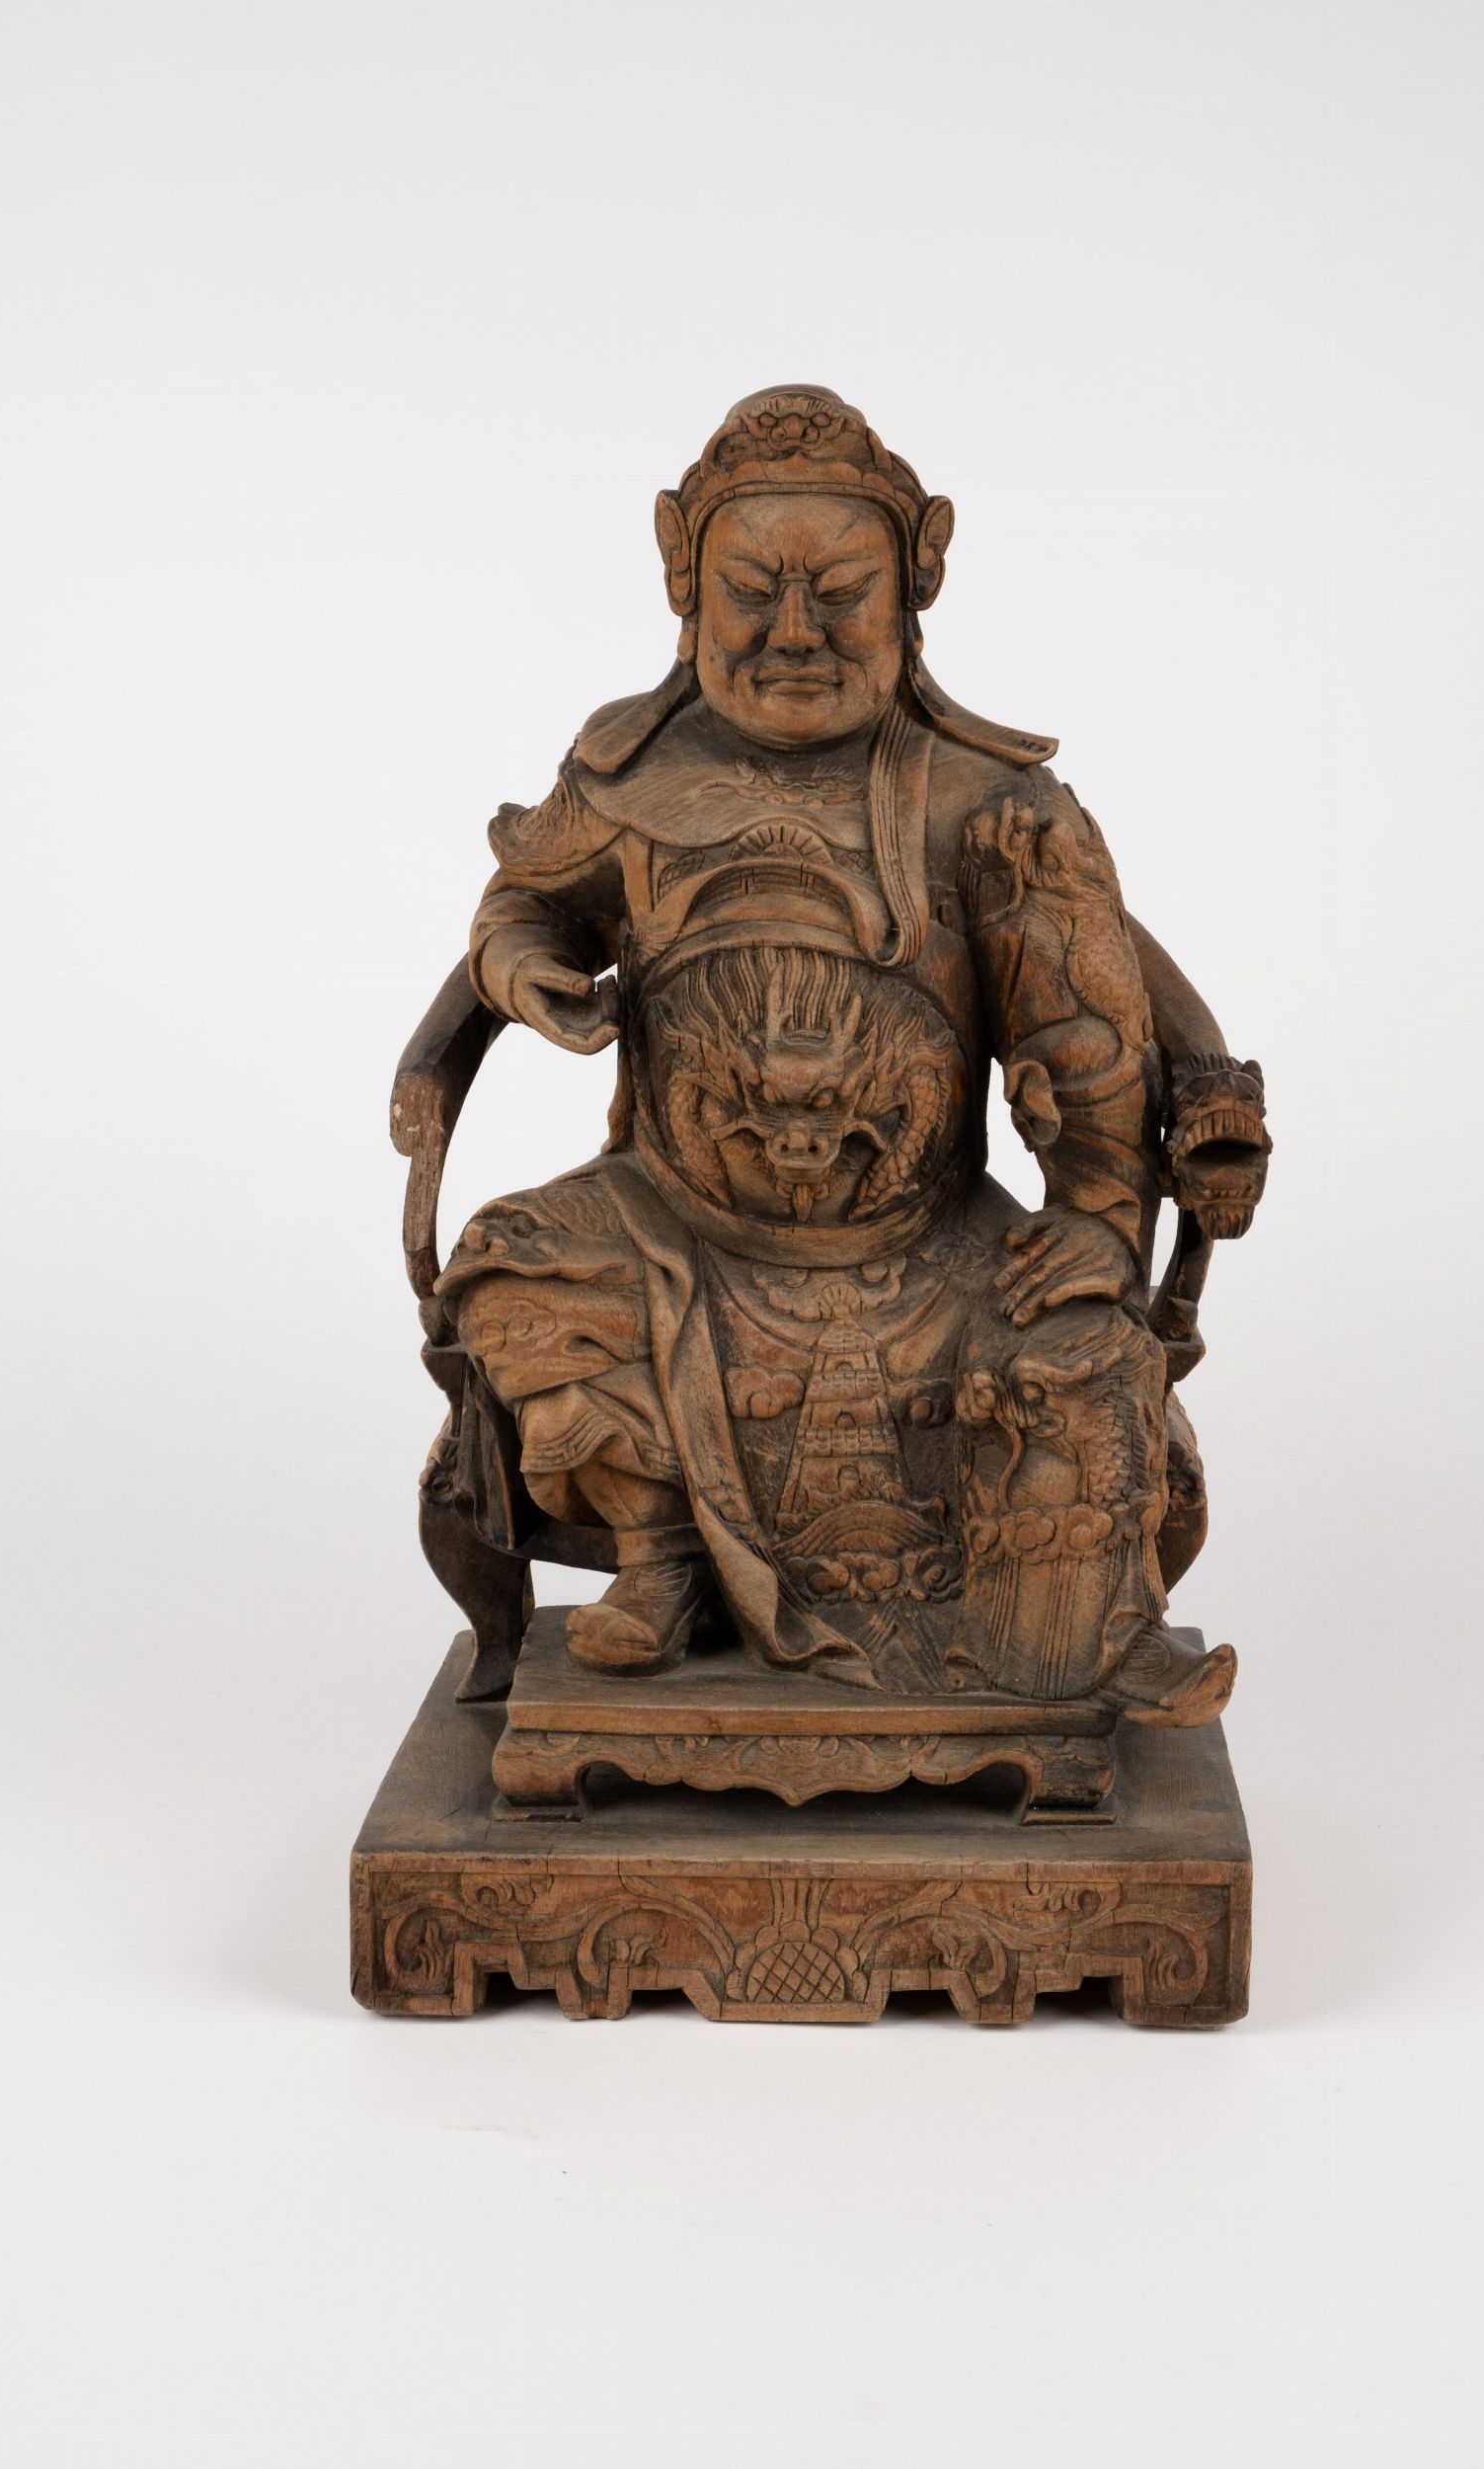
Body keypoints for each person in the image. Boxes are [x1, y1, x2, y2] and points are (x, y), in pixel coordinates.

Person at [436, 387, 1270, 1712]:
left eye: (839, 594)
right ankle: (662, 1555)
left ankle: (1061, 1651)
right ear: (682, 573)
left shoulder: (986, 805)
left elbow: (1085, 1028)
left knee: (1086, 1363)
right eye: (751, 593)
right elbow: (525, 897)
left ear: (917, 575)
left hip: (929, 1247)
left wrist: (1102, 1218)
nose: (793, 632)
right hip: (674, 1228)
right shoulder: (627, 776)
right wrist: (524, 965)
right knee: (512, 1274)